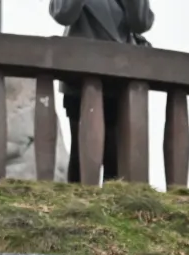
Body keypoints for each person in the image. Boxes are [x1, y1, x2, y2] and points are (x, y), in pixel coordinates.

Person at [49, 0, 155, 183]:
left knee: (116, 154)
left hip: (120, 75)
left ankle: (112, 206)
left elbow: (141, 23)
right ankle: (78, 205)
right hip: (80, 77)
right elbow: (63, 14)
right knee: (82, 151)